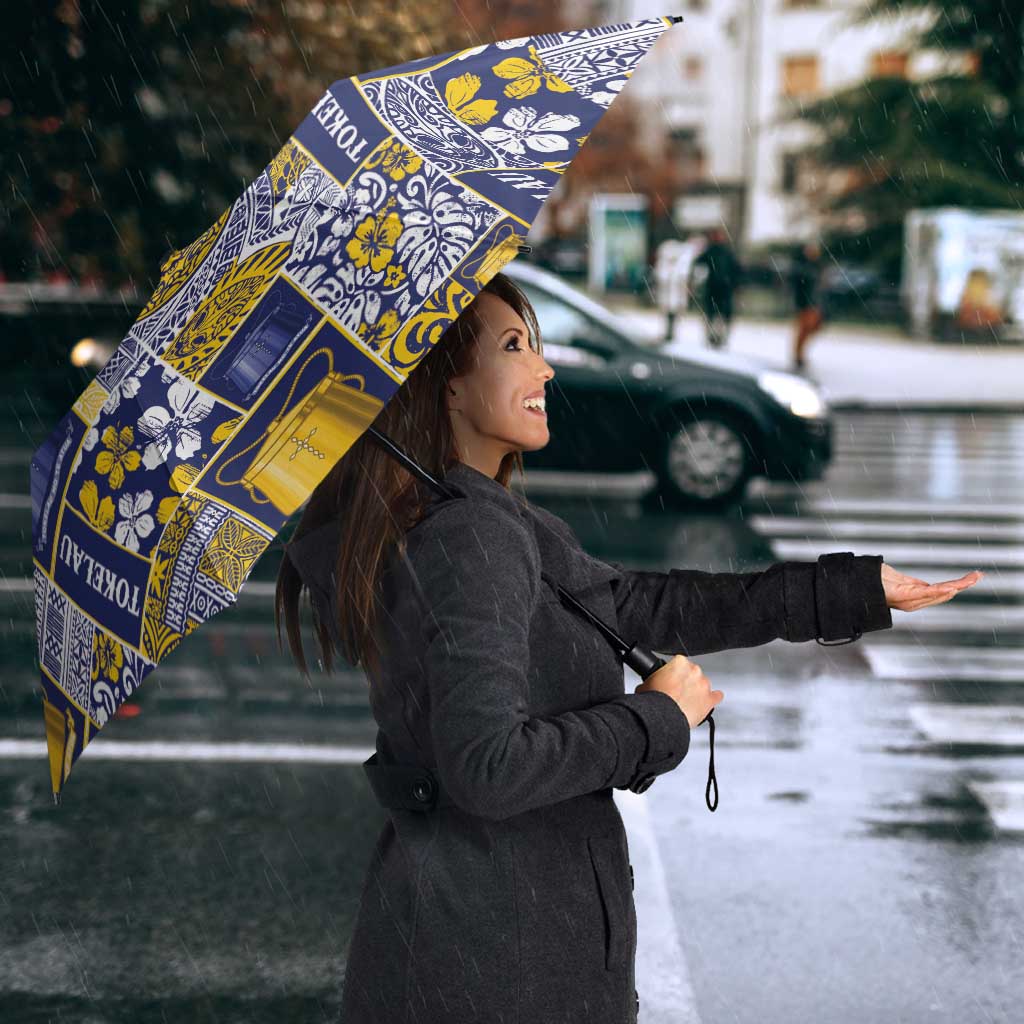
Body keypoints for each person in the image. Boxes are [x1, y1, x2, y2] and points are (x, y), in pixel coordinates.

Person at [277, 271, 980, 1024]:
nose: (544, 368)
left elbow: (640, 606)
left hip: (472, 941)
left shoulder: (468, 519)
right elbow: (488, 767)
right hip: (500, 963)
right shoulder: (471, 535)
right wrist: (655, 719)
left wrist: (849, 590)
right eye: (514, 347)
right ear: (447, 385)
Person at [692, 226, 742, 349]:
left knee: (719, 315)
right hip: (716, 288)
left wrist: (735, 284)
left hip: (722, 289)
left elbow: (736, 270)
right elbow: (698, 263)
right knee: (714, 314)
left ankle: (719, 337)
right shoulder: (714, 251)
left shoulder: (724, 252)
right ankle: (713, 337)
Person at [790, 239, 826, 371]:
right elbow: (799, 286)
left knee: (812, 327)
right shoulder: (802, 267)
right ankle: (798, 355)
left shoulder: (816, 266)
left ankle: (799, 354)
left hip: (814, 303)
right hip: (805, 303)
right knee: (804, 329)